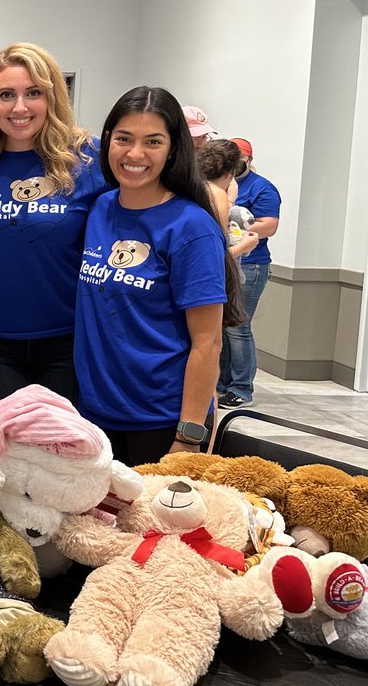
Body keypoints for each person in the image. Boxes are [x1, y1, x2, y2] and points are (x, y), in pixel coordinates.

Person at [74, 86, 243, 466]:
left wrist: (189, 435)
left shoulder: (190, 226)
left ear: (173, 149)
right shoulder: (100, 208)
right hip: (95, 413)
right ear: (107, 143)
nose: (135, 154)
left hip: (161, 419)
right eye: (124, 139)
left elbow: (208, 343)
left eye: (153, 141)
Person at [0, 43, 106, 418]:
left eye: (33, 92)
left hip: (65, 343)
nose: (19, 107)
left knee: (60, 464)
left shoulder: (88, 161)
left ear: (52, 97)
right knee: (0, 462)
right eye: (7, 95)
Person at [217, 137, 281, 409]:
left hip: (251, 265)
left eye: (240, 159)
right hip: (228, 264)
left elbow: (269, 225)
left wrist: (237, 225)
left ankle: (242, 389)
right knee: (223, 326)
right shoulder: (220, 183)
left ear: (249, 160)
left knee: (239, 328)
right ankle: (222, 384)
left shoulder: (262, 188)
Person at [196, 139, 261, 259]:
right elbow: (213, 258)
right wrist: (244, 246)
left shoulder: (188, 193)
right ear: (229, 174)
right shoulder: (217, 197)